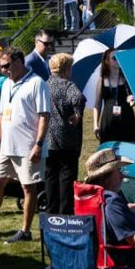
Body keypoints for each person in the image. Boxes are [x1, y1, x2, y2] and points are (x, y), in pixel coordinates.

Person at [0, 53, 46, 242]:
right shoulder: (6, 83)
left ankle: (25, 231)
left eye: (7, 66)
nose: (4, 70)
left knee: (28, 188)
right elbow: (0, 114)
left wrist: (38, 144)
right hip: (7, 146)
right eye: (2, 66)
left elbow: (44, 116)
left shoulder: (36, 83)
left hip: (27, 146)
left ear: (19, 62)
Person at [38, 53, 87, 215]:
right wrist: (77, 115)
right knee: (66, 178)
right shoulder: (67, 86)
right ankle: (65, 213)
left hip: (47, 139)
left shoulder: (44, 85)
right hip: (66, 141)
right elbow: (79, 98)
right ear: (66, 69)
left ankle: (51, 213)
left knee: (51, 178)